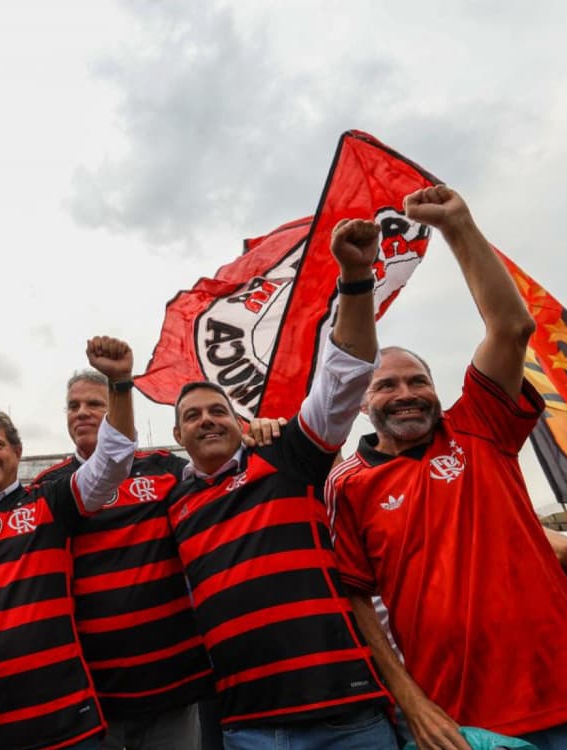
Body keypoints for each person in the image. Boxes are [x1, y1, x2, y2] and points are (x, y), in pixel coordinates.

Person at [327, 185, 567, 748]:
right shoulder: (348, 484)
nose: (405, 394)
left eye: (418, 381)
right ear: (361, 401)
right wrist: (412, 704)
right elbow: (355, 599)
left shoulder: (478, 426)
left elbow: (511, 328)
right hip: (459, 716)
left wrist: (458, 226)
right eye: (386, 385)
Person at [163, 215, 394, 748]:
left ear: (240, 422)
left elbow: (346, 376)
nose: (206, 421)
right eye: (192, 416)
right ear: (177, 435)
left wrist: (355, 278)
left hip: (347, 717)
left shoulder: (287, 454)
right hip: (249, 727)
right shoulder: (173, 505)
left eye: (217, 411)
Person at [0, 336, 139, 750]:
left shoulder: (51, 500)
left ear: (17, 451)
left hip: (66, 725)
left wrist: (120, 384)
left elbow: (112, 463)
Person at [28, 368, 212, 749]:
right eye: (74, 406)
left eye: (94, 404)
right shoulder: (47, 486)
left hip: (171, 683)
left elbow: (220, 476)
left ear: (117, 410)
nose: (82, 412)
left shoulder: (166, 468)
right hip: (92, 693)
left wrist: (262, 431)